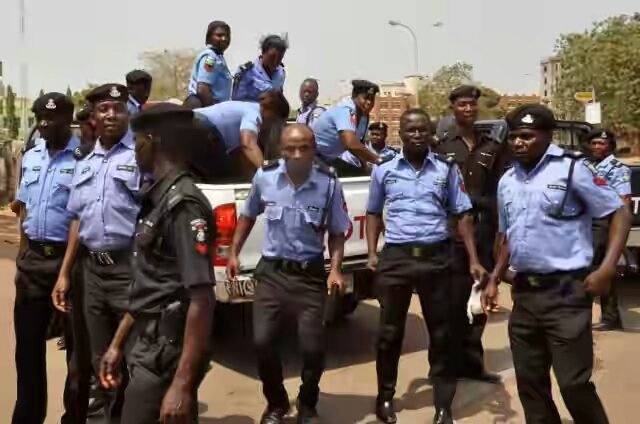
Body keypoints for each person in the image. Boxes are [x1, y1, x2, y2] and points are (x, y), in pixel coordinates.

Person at [484, 104, 631, 424]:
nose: (518, 142)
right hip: (525, 294)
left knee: (573, 383)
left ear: (547, 136)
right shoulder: (507, 180)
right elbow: (506, 235)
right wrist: (495, 277)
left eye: (526, 136)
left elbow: (619, 212)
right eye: (513, 137)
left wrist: (606, 267)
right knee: (530, 383)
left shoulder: (573, 170)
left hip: (567, 294)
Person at [97, 103, 216, 423]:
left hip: (166, 352)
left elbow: (202, 299)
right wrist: (117, 344)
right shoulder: (157, 197)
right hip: (146, 344)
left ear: (152, 141)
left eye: (137, 142)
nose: (134, 150)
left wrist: (182, 385)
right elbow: (149, 285)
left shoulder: (183, 204)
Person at [366, 108, 486, 424]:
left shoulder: (446, 170)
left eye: (422, 129)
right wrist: (372, 253)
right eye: (411, 130)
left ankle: (443, 405)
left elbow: (463, 214)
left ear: (430, 134)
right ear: (401, 134)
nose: (417, 135)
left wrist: (474, 259)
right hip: (397, 257)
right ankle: (385, 397)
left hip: (437, 258)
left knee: (442, 333)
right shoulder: (384, 170)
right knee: (389, 333)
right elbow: (374, 212)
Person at [227, 124, 350, 424]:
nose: (297, 154)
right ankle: (277, 403)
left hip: (309, 275)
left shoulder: (329, 184)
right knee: (262, 342)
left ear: (314, 149)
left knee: (312, 348)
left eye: (304, 147)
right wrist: (233, 252)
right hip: (272, 274)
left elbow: (337, 232)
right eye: (290, 148)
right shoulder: (265, 177)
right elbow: (247, 215)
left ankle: (307, 403)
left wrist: (335, 269)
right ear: (281, 150)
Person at [52, 83, 141, 423]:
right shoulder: (85, 162)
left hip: (129, 271)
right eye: (104, 109)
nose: (111, 115)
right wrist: (64, 273)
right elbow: (77, 218)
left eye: (118, 108)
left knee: (134, 360)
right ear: (93, 117)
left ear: (127, 113)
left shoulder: (142, 157)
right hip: (92, 274)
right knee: (99, 359)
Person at [12, 92, 84, 424]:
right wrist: (22, 257)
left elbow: (80, 218)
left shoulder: (83, 158)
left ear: (68, 119)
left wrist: (66, 272)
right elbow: (24, 209)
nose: (44, 123)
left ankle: (75, 417)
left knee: (76, 356)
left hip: (69, 264)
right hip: (33, 263)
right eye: (40, 117)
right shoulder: (31, 156)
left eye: (51, 118)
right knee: (27, 353)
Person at [436, 85, 508, 383]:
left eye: (472, 105)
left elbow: (501, 190)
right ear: (453, 108)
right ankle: (447, 364)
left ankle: (473, 364)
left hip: (483, 229)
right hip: (451, 232)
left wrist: (499, 230)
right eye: (462, 105)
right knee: (452, 301)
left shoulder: (492, 146)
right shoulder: (441, 146)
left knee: (479, 296)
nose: (468, 109)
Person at [584, 128, 631, 331]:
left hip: (605, 223)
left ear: (610, 146)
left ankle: (609, 317)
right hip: (586, 222)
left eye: (601, 143)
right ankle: (605, 317)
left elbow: (624, 200)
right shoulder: (586, 166)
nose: (597, 147)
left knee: (600, 269)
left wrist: (619, 230)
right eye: (594, 143)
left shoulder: (617, 169)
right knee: (590, 267)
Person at [194, 90, 290, 176]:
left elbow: (242, 154)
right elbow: (247, 144)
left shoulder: (249, 108)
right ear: (271, 110)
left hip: (195, 124)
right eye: (275, 120)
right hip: (198, 126)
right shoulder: (254, 114)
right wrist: (266, 172)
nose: (273, 125)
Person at [313, 80, 383, 168]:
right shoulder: (345, 111)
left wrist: (364, 166)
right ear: (354, 96)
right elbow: (351, 143)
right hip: (313, 157)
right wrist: (378, 159)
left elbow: (358, 145)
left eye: (372, 99)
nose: (369, 102)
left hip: (329, 159)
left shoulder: (364, 117)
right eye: (366, 98)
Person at [184, 21, 232, 109]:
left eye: (227, 36)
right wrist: (213, 111)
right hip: (206, 107)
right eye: (219, 35)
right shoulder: (210, 58)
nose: (224, 38)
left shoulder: (218, 57)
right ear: (209, 38)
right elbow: (203, 88)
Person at [232, 34, 287, 102]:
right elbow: (236, 101)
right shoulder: (246, 72)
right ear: (263, 52)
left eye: (279, 58)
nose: (275, 61)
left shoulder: (281, 73)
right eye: (272, 57)